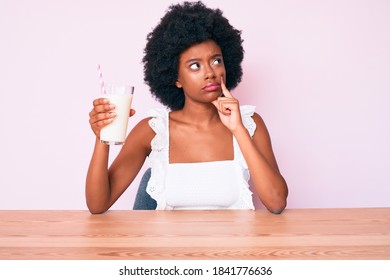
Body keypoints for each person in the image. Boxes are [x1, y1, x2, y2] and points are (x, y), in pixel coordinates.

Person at [86, 1, 288, 214]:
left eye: (217, 61)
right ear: (176, 78)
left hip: (234, 246)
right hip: (169, 247)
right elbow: (98, 205)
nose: (210, 72)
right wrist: (103, 137)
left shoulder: (250, 123)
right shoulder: (153, 130)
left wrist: (238, 130)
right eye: (195, 66)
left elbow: (276, 203)